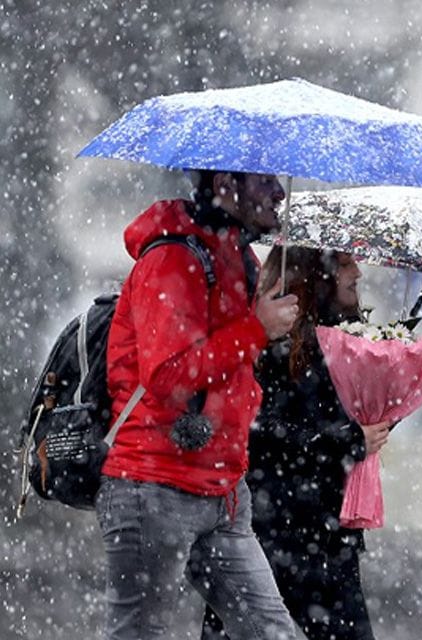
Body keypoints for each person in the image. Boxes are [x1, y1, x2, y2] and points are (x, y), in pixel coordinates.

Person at [99, 170, 301, 639]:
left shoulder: (237, 256)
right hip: (154, 486)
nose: (278, 192)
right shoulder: (171, 257)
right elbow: (168, 376)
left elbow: (232, 367)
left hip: (224, 490)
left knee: (272, 631)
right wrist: (256, 329)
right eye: (263, 180)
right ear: (226, 184)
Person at [203, 246, 392, 640]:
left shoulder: (346, 341)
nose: (356, 271)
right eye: (344, 263)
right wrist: (346, 442)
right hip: (271, 530)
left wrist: (379, 420)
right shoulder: (270, 343)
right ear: (315, 274)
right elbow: (259, 432)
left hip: (323, 532)